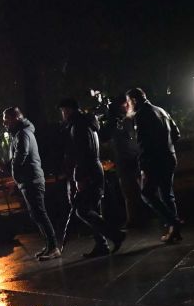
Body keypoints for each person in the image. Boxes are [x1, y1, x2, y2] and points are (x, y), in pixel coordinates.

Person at [59, 98, 124, 258]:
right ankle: (101, 245)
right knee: (92, 209)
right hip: (94, 169)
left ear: (69, 110)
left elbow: (82, 153)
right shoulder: (87, 123)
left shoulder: (78, 126)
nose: (62, 115)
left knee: (83, 210)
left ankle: (115, 235)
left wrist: (79, 177)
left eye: (63, 111)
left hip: (87, 171)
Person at [1, 107, 60, 260]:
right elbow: (18, 156)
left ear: (15, 118)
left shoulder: (22, 134)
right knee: (36, 214)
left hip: (32, 179)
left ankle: (53, 247)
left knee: (40, 213)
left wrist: (8, 167)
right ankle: (49, 245)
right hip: (28, 179)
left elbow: (21, 155)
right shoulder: (20, 133)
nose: (4, 123)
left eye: (6, 119)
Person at [127, 87, 182, 243]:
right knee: (167, 194)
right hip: (169, 157)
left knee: (147, 194)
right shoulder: (161, 110)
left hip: (155, 161)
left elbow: (144, 144)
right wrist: (168, 147)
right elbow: (176, 133)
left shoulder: (142, 115)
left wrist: (143, 167)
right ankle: (174, 230)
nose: (128, 106)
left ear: (134, 100)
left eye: (129, 102)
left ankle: (173, 222)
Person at [101, 94, 148, 229]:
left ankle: (141, 216)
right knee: (128, 191)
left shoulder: (133, 118)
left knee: (141, 189)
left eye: (127, 103)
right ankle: (133, 218)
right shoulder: (116, 122)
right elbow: (106, 137)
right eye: (124, 104)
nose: (127, 106)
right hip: (125, 160)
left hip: (135, 158)